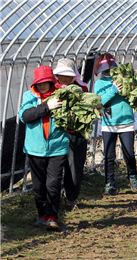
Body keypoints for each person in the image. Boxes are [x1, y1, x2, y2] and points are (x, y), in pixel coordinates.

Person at [18, 66, 68, 231]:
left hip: (57, 147)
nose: (41, 86)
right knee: (38, 187)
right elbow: (25, 116)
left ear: (50, 82)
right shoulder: (29, 96)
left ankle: (53, 217)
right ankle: (42, 216)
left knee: (53, 184)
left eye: (44, 83)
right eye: (38, 83)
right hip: (35, 149)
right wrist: (47, 107)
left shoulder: (62, 96)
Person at [93, 53, 137, 195]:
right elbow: (99, 102)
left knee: (129, 153)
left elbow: (133, 94)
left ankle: (132, 177)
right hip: (109, 123)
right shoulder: (100, 83)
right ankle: (109, 183)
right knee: (109, 155)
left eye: (111, 68)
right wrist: (113, 90)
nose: (109, 71)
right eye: (106, 69)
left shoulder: (124, 78)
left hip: (126, 121)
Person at [53, 58, 89, 211]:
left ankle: (71, 198)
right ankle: (54, 199)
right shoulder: (51, 89)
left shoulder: (82, 89)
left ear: (74, 75)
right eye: (61, 75)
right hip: (56, 134)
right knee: (55, 169)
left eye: (68, 75)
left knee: (74, 169)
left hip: (76, 135)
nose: (64, 79)